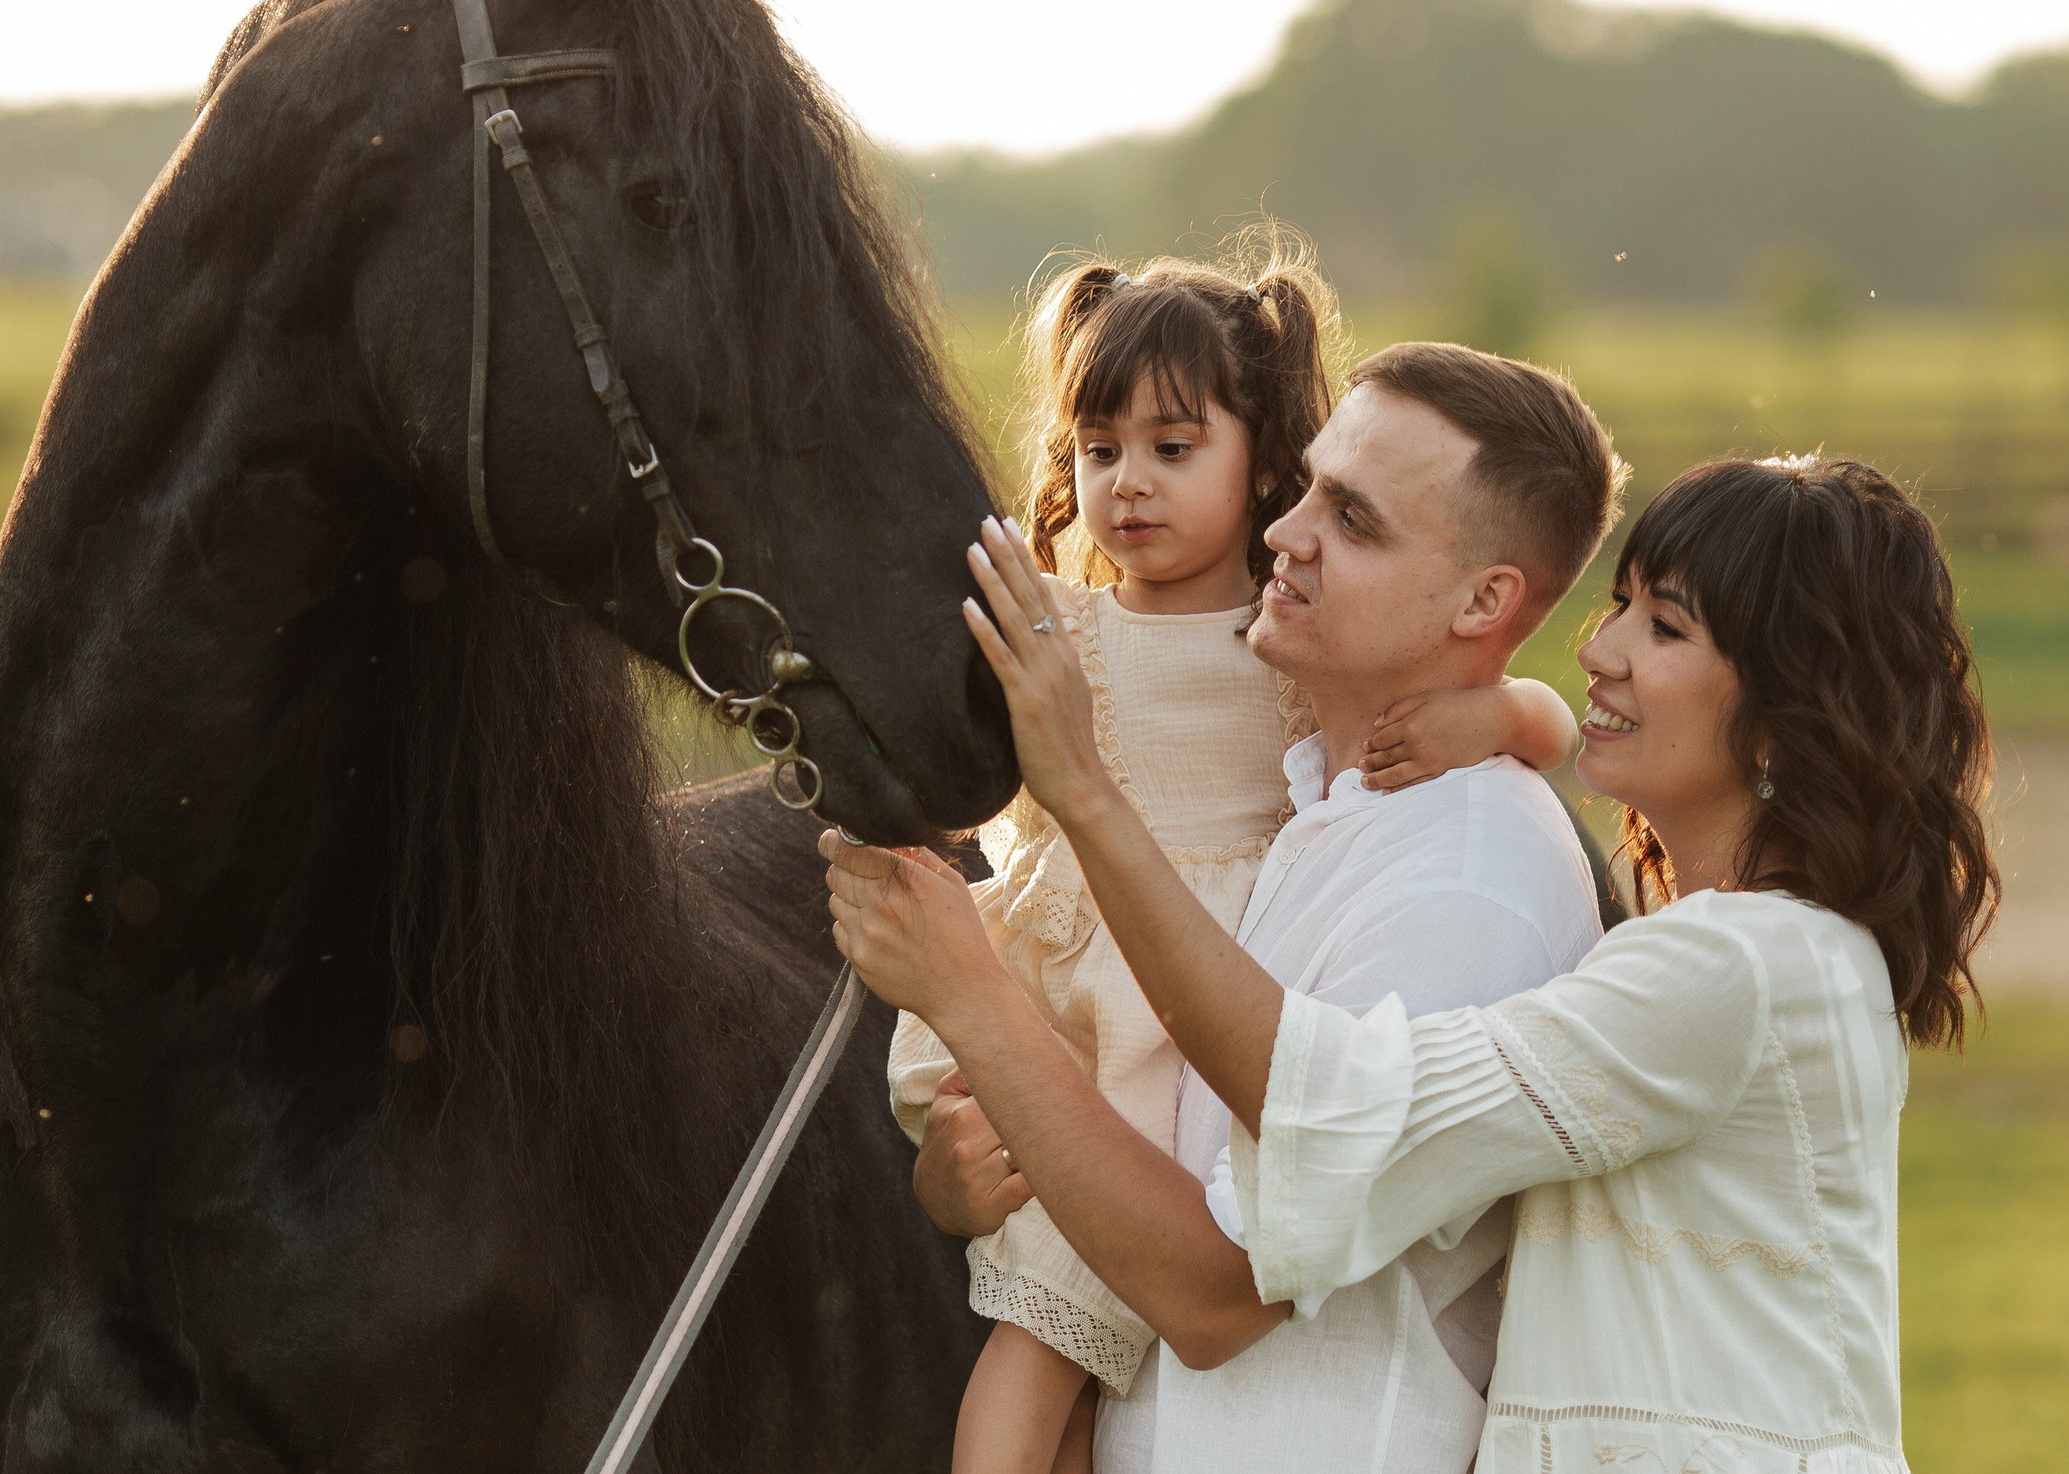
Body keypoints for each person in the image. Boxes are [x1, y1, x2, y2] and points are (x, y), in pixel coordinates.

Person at [857, 451, 2000, 1474]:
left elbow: (1341, 1113)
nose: (1599, 648)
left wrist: (1051, 849)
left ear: (1787, 711)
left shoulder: (1739, 966)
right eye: (1618, 606)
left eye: (1666, 626)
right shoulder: (1710, 949)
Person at [836, 342, 1627, 1472]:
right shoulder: (1306, 813)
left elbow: (1216, 1291)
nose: (1282, 532)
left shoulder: (1469, 874)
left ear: (1486, 598)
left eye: (1352, 519)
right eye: (1304, 486)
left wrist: (971, 987)